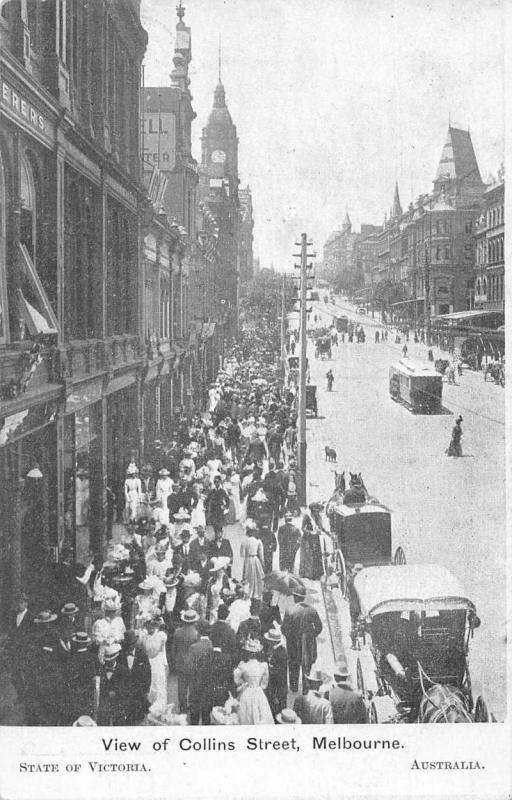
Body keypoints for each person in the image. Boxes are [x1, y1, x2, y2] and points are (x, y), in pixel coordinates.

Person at [281, 587, 323, 693]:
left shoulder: (290, 610)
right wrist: (311, 635)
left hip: (293, 644)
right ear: (303, 598)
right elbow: (319, 627)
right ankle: (306, 688)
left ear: (295, 597)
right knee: (307, 666)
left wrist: (290, 637)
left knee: (293, 665)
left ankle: (293, 687)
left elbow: (284, 629)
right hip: (308, 644)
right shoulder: (312, 610)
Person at [234, 639, 274, 725]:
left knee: (245, 716)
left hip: (246, 692)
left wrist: (243, 683)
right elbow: (264, 684)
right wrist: (259, 686)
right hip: (258, 692)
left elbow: (235, 678)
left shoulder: (243, 666)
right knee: (261, 715)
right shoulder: (263, 666)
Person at [119, 629, 152, 724]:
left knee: (138, 718)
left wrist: (146, 690)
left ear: (135, 643)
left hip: (138, 693)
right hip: (125, 694)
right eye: (128, 644)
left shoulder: (142, 654)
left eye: (132, 644)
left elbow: (147, 673)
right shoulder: (120, 655)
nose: (130, 646)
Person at [172, 609, 200, 714]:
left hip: (180, 662)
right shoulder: (196, 634)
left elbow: (173, 648)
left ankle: (183, 708)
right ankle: (191, 707)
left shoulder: (177, 632)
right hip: (192, 663)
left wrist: (175, 661)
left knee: (182, 688)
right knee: (192, 686)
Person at [96, 643, 131, 726]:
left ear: (115, 658)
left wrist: (117, 693)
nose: (108, 663)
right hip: (105, 708)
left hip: (118, 706)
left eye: (110, 660)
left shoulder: (123, 671)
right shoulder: (101, 670)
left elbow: (127, 689)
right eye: (107, 661)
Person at [142, 617, 168, 707]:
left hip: (158, 661)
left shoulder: (161, 635)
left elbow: (157, 649)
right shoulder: (144, 637)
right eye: (148, 625)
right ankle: (150, 705)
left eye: (152, 625)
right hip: (148, 662)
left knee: (158, 682)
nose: (150, 627)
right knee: (150, 683)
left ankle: (159, 706)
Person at [264, 627, 288, 719]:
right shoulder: (276, 650)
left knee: (277, 713)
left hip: (278, 691)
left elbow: (280, 677)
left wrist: (276, 696)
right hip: (274, 689)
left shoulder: (281, 653)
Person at [240, 522, 265, 600]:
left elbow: (242, 554)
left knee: (248, 577)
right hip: (255, 559)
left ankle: (248, 593)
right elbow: (261, 555)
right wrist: (263, 564)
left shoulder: (244, 542)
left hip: (248, 560)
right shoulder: (258, 541)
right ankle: (256, 593)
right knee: (257, 576)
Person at [299, 514, 323, 580]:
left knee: (316, 555)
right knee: (308, 556)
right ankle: (308, 574)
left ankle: (317, 574)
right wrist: (309, 532)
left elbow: (321, 527)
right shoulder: (307, 516)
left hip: (315, 538)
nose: (316, 512)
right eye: (315, 511)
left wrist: (319, 530)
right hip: (307, 538)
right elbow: (302, 528)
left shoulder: (318, 516)